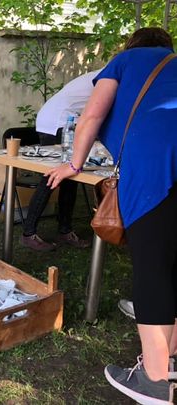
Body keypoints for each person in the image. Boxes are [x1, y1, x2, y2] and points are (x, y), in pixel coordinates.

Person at [46, 27, 177, 403]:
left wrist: (74, 164)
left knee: (153, 270)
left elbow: (91, 116)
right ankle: (170, 363)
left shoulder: (125, 61)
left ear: (133, 46)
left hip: (154, 174)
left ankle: (155, 381)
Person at [20, 70, 100, 251]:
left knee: (70, 176)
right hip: (60, 122)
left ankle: (65, 230)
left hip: (60, 120)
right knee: (52, 177)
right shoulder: (111, 76)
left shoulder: (109, 73)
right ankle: (28, 234)